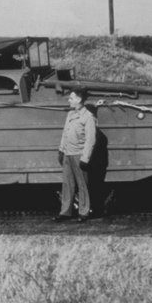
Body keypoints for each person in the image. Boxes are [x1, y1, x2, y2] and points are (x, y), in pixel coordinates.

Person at [55, 87, 97, 223]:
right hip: (67, 154)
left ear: (79, 99)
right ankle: (65, 212)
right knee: (67, 184)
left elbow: (91, 140)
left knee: (82, 185)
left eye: (71, 98)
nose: (69, 100)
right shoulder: (70, 115)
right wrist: (61, 150)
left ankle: (84, 212)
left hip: (79, 155)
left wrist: (85, 158)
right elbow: (65, 134)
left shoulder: (88, 117)